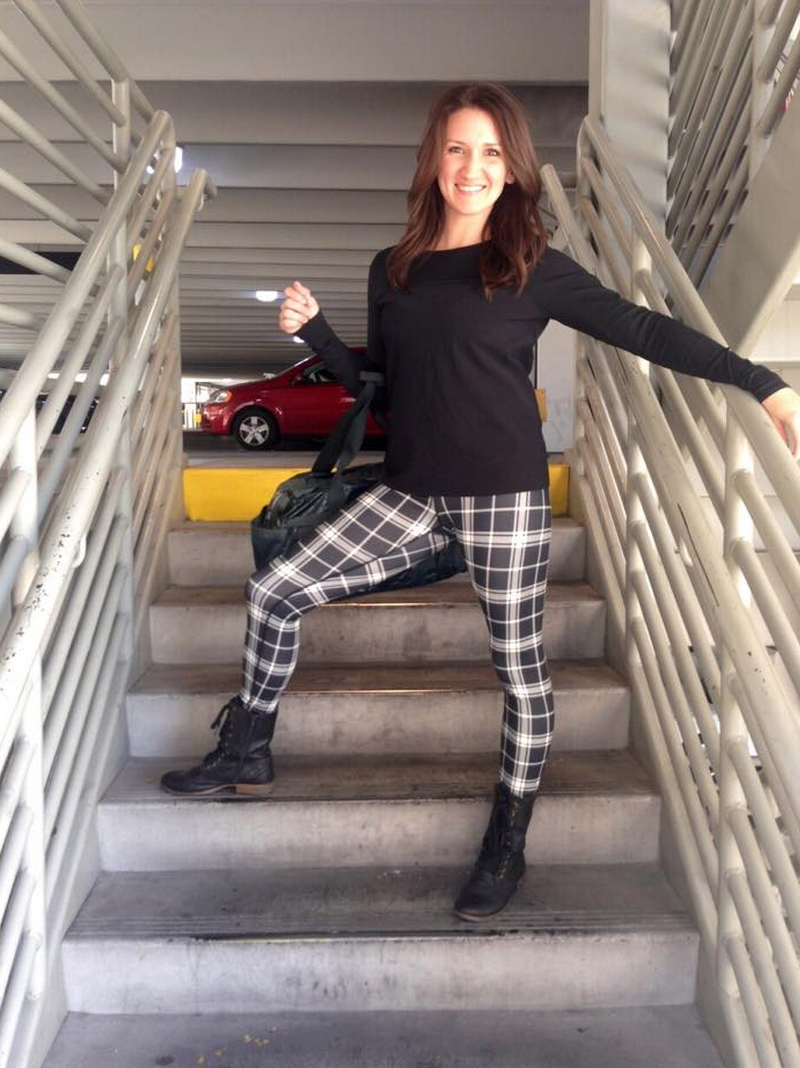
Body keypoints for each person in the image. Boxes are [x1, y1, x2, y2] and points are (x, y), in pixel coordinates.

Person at [161, 82, 800, 921]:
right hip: (411, 491)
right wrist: (315, 336)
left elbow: (641, 327)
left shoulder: (532, 266)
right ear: (434, 159)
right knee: (274, 590)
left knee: (519, 671)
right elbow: (382, 390)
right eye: (458, 148)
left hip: (503, 498)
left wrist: (762, 383)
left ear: (514, 168)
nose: (473, 167)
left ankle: (508, 836)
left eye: (492, 152)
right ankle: (247, 750)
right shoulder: (392, 270)